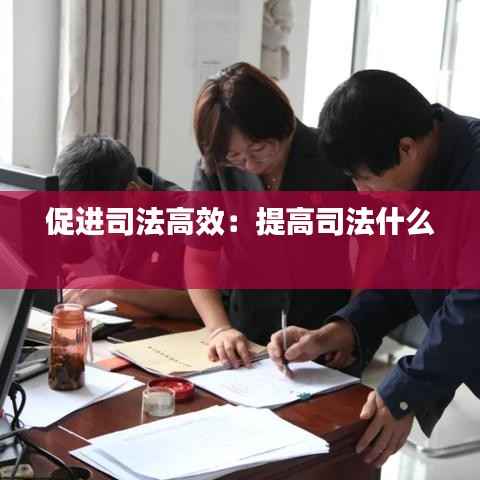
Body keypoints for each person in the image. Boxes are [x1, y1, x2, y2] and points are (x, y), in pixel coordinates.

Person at [268, 69, 480, 467]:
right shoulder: (416, 177)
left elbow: (473, 304)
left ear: (406, 148)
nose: (362, 193)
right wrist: (341, 329)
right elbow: (402, 276)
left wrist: (407, 389)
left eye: (366, 179)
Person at [186, 62, 359, 369]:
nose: (251, 165)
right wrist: (219, 329)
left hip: (324, 335)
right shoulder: (216, 168)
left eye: (259, 149)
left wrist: (349, 328)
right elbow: (199, 258)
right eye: (235, 157)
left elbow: (371, 256)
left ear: (283, 124)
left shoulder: (333, 160)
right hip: (247, 340)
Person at [54, 134, 198, 319]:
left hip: (176, 332)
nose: (85, 227)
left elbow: (204, 307)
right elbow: (52, 251)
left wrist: (115, 287)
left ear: (131, 193)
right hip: (124, 326)